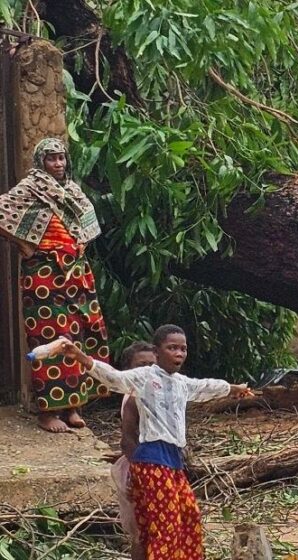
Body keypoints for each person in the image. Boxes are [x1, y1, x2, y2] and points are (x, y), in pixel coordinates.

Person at [58, 324, 253, 560]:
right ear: (158, 352)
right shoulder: (144, 378)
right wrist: (80, 357)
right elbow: (113, 378)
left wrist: (236, 389)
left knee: (189, 516)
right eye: (172, 348)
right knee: (166, 526)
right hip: (152, 459)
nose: (179, 353)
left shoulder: (181, 382)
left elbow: (206, 387)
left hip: (173, 459)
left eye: (183, 348)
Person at [0, 138, 108, 433]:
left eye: (61, 158)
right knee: (47, 337)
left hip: (76, 273)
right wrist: (24, 246)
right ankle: (48, 412)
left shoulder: (72, 190)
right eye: (51, 159)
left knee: (78, 334)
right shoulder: (29, 189)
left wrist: (81, 242)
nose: (58, 164)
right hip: (43, 275)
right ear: (40, 163)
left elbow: (87, 223)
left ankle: (73, 406)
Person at [110, 341, 156, 560]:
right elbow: (127, 440)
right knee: (142, 531)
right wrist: (138, 475)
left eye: (152, 364)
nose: (147, 369)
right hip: (139, 466)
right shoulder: (133, 396)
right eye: (141, 364)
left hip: (157, 465)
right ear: (128, 370)